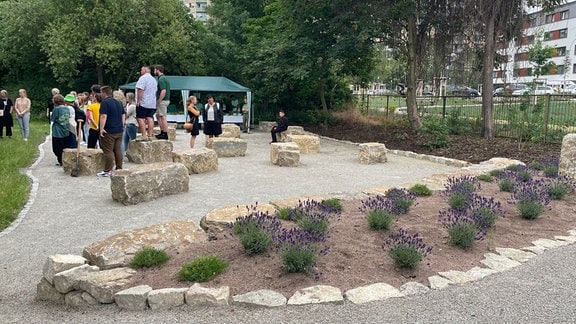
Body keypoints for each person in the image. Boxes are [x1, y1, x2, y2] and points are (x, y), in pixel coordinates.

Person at [97, 85, 125, 177]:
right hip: (119, 130)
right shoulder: (118, 102)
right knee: (117, 150)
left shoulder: (105, 103)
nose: (100, 94)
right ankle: (119, 168)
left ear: (104, 93)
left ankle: (108, 170)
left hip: (109, 130)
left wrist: (101, 128)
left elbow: (103, 116)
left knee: (108, 150)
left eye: (101, 92)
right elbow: (123, 115)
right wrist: (122, 125)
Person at [135, 66, 157, 140]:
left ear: (145, 70)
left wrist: (138, 100)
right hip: (152, 103)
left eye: (141, 70)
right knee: (150, 117)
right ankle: (150, 135)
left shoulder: (143, 78)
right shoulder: (154, 80)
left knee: (140, 118)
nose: (140, 71)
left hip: (144, 102)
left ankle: (144, 135)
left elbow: (140, 90)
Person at [50, 94, 70, 166]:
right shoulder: (67, 108)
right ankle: (63, 160)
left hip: (57, 131)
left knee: (57, 148)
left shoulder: (56, 109)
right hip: (66, 130)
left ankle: (60, 160)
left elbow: (53, 119)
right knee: (64, 146)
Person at [154, 65, 170, 140]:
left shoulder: (161, 79)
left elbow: (163, 91)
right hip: (165, 100)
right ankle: (162, 132)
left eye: (155, 70)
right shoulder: (164, 78)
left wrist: (159, 100)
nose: (154, 71)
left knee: (163, 117)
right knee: (158, 116)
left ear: (158, 70)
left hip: (163, 100)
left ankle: (165, 133)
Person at [122, 92, 137, 157]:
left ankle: (132, 152)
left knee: (132, 139)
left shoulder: (132, 106)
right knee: (126, 139)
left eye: (127, 97)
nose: (126, 98)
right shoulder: (128, 105)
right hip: (128, 124)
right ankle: (125, 152)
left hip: (131, 123)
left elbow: (126, 114)